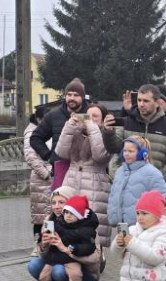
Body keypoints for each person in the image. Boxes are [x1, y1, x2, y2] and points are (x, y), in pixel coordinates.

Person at [102, 84, 166, 188]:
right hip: (126, 184)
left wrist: (161, 176)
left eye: (146, 101)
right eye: (139, 100)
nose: (141, 104)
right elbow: (114, 148)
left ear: (156, 102)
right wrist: (108, 132)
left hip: (155, 187)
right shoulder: (126, 122)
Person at [28, 186, 101, 281]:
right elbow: (40, 253)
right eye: (53, 202)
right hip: (58, 261)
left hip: (84, 274)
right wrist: (44, 244)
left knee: (58, 270)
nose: (56, 207)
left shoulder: (85, 222)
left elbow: (95, 257)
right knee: (33, 265)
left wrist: (68, 251)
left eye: (61, 202)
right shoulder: (49, 220)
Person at [56, 103, 112, 246]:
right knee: (68, 219)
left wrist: (92, 127)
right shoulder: (76, 132)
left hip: (95, 182)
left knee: (93, 223)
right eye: (88, 115)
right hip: (72, 179)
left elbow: (100, 156)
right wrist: (69, 126)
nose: (91, 119)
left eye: (95, 116)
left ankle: (97, 257)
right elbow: (61, 153)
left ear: (103, 119)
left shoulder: (107, 135)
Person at [37, 195, 99, 281]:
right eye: (66, 212)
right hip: (54, 257)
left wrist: (74, 249)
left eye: (72, 213)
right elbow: (42, 244)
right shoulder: (56, 223)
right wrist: (44, 240)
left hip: (71, 258)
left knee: (75, 274)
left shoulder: (86, 229)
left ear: (80, 215)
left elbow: (89, 247)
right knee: (43, 276)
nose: (68, 216)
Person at [30, 78, 89, 188]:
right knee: (60, 203)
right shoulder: (54, 115)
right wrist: (49, 156)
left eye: (76, 95)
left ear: (82, 97)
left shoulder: (91, 113)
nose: (72, 98)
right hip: (61, 168)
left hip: (85, 169)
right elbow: (35, 138)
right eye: (69, 94)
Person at [108, 136, 166, 231]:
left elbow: (164, 198)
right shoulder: (120, 171)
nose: (126, 154)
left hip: (142, 228)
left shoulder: (152, 173)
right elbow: (113, 195)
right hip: (122, 227)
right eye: (124, 151)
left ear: (142, 153)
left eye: (131, 151)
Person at [23, 106, 51, 241]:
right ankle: (39, 248)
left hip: (50, 179)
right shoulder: (31, 133)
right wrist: (46, 174)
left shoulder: (48, 132)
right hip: (41, 181)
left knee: (51, 216)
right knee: (41, 217)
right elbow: (30, 157)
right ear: (39, 119)